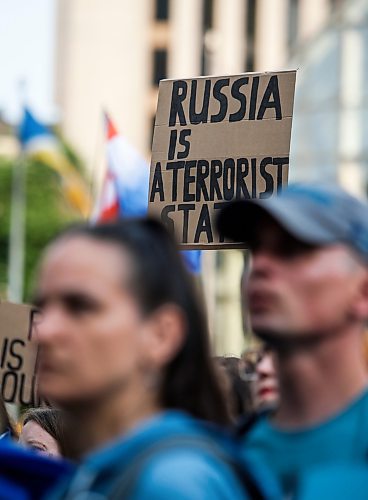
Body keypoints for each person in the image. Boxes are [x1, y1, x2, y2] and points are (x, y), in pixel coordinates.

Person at [32, 218, 278, 499]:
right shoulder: (91, 475)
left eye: (80, 307)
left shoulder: (176, 482)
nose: (44, 331)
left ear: (161, 334)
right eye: (42, 308)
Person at [217, 184, 368, 496]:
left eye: (291, 249)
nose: (259, 266)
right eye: (255, 248)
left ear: (363, 291)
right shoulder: (222, 466)